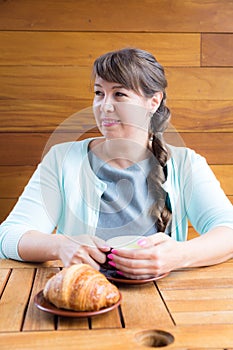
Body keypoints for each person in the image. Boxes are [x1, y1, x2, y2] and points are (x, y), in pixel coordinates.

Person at [0, 48, 233, 279]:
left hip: (165, 302)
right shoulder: (62, 159)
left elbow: (228, 230)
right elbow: (8, 236)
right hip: (82, 304)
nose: (105, 106)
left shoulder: (186, 164)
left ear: (153, 101)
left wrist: (180, 255)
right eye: (99, 93)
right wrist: (60, 245)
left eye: (119, 94)